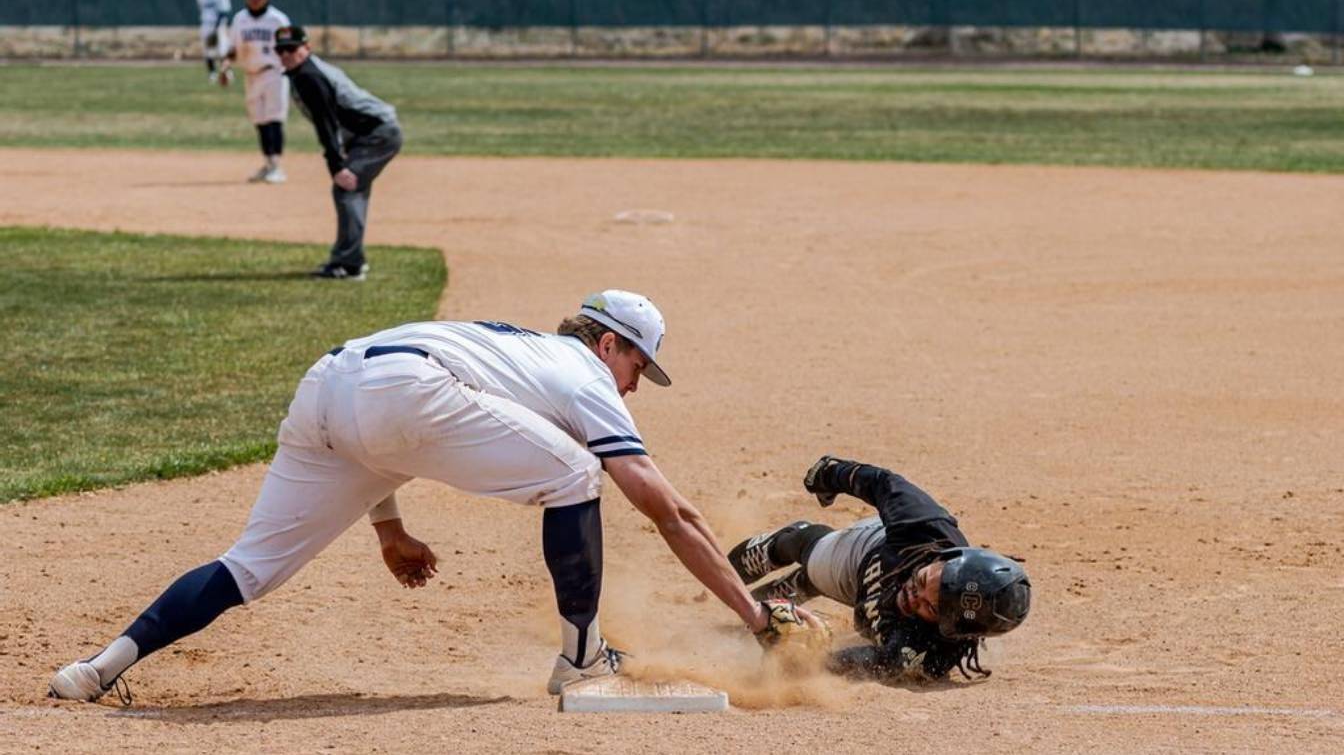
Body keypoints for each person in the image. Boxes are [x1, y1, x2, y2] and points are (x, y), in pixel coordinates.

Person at [47, 290, 820, 704]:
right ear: (608, 343)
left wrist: (387, 529)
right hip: (403, 390)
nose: (633, 387)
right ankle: (581, 659)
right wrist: (755, 616)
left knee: (249, 565)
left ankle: (98, 668)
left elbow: (384, 425)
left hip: (328, 382)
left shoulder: (512, 355)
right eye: (636, 369)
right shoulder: (585, 376)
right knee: (579, 475)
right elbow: (670, 513)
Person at [728, 456, 1031, 682]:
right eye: (923, 580)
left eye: (930, 608)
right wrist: (830, 474)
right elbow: (883, 483)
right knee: (804, 547)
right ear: (947, 556)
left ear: (950, 628)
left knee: (818, 581)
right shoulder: (925, 527)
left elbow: (874, 660)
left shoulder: (931, 650)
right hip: (865, 556)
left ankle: (804, 583)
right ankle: (787, 551)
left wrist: (812, 662)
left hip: (865, 594)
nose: (915, 595)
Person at [274, 25, 401, 281]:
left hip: (378, 135)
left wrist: (336, 165)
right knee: (350, 189)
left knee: (346, 187)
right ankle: (350, 260)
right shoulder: (302, 72)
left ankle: (350, 264)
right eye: (281, 50)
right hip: (366, 134)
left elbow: (326, 123)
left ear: (306, 48)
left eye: (292, 48)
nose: (286, 54)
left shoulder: (310, 76)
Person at [219, 0, 290, 184]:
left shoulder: (278, 19)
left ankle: (276, 166)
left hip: (274, 73)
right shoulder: (240, 19)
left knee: (273, 118)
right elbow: (233, 49)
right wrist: (226, 66)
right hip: (251, 75)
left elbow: (290, 48)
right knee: (259, 119)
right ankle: (268, 163)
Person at [198, 0, 231, 85]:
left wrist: (216, 28)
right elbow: (202, 9)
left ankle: (226, 72)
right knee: (207, 51)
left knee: (222, 50)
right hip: (205, 25)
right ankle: (212, 73)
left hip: (219, 25)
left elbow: (224, 12)